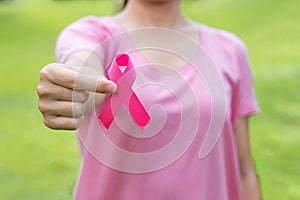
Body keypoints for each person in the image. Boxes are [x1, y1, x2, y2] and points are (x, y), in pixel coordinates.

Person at [37, 0, 262, 199]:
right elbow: (84, 70)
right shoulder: (92, 35)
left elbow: (244, 171)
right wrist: (75, 91)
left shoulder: (230, 50)